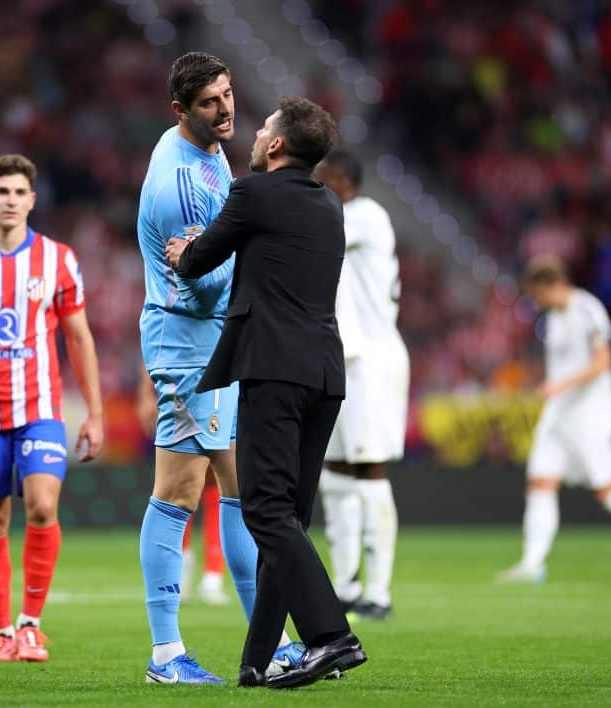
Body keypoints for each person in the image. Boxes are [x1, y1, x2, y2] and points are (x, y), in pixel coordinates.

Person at [167, 96, 367, 689]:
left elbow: (200, 259)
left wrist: (183, 250)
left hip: (275, 371)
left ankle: (331, 638)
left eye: (263, 128)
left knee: (264, 510)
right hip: (324, 375)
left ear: (277, 146)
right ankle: (256, 660)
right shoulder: (329, 203)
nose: (254, 134)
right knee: (288, 521)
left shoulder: (253, 194)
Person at [136, 51, 301, 684]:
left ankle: (272, 640)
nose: (227, 108)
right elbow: (203, 287)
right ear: (182, 110)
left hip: (215, 342)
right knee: (177, 491)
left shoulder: (206, 148)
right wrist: (253, 250)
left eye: (228, 94)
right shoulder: (179, 183)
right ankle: (166, 654)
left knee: (240, 491)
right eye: (210, 102)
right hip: (188, 343)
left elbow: (209, 253)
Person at [0, 154, 104, 663]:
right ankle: (1, 631)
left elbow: (79, 337)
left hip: (40, 406)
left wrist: (94, 411)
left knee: (43, 506)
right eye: (1, 192)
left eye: (19, 193)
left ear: (32, 200)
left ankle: (31, 624)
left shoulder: (58, 259)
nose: (10, 201)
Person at [499, 255, 611, 584]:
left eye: (536, 294)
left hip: (589, 415)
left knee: (606, 489)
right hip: (558, 414)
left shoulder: (588, 309)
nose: (535, 301)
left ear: (551, 285)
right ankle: (533, 563)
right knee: (540, 483)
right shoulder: (553, 319)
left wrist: (559, 384)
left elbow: (603, 362)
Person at [314, 150, 409, 621]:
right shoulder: (343, 216)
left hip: (372, 359)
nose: (316, 185)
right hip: (342, 357)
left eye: (322, 178)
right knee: (335, 471)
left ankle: (380, 591)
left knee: (370, 468)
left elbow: (314, 233)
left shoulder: (366, 216)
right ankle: (346, 584)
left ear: (343, 180)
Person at [136, 371, 227, 605]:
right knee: (180, 489)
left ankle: (212, 576)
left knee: (216, 486)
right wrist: (146, 396)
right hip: (181, 404)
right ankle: (183, 570)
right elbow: (156, 354)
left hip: (216, 401)